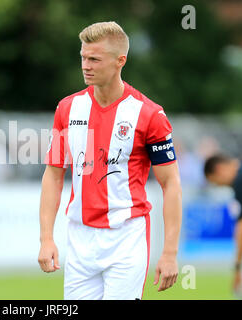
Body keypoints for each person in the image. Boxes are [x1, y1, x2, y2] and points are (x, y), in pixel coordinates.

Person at [38, 21, 182, 300]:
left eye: (94, 59)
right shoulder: (67, 108)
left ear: (120, 61)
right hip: (79, 238)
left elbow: (171, 184)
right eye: (83, 57)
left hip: (126, 237)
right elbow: (53, 174)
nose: (85, 65)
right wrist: (46, 238)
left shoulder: (149, 114)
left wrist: (170, 253)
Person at [204, 154, 242, 293]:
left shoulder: (239, 181)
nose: (220, 186)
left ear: (219, 169)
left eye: (216, 182)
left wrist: (237, 267)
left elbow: (241, 227)